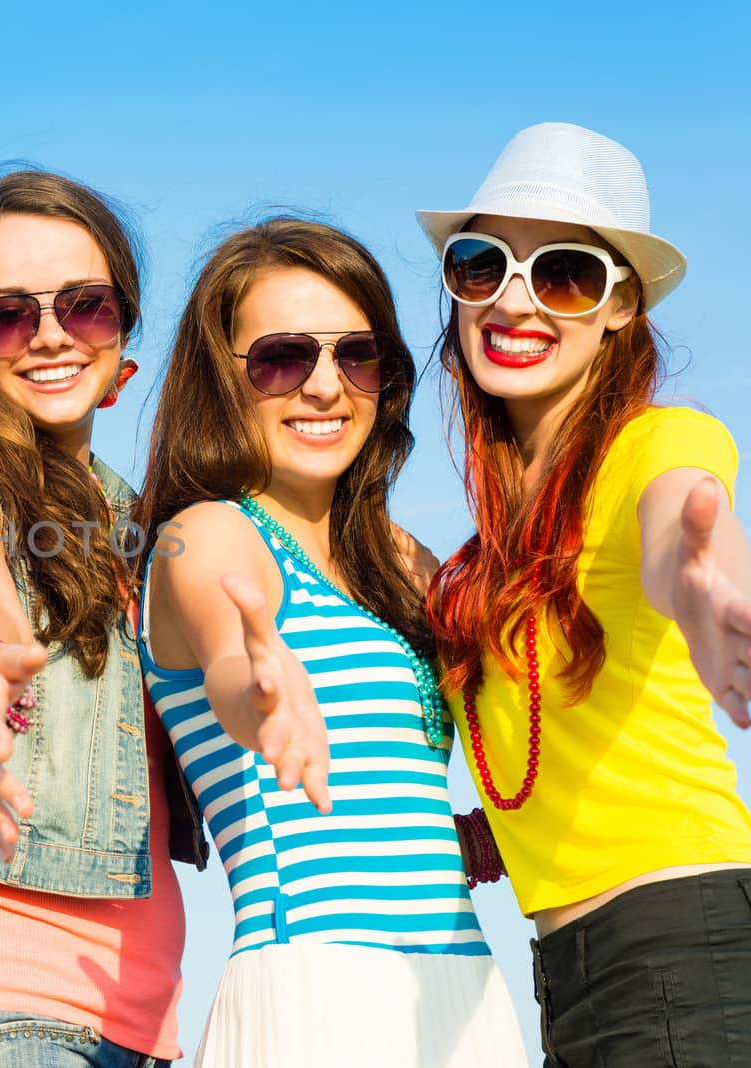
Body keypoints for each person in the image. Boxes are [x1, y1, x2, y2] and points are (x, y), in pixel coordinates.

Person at [133, 217, 525, 1066]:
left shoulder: (406, 560)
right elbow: (234, 652)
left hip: (462, 994)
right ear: (221, 379)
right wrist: (261, 697)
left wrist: (469, 832)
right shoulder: (208, 533)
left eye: (356, 355)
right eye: (281, 357)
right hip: (321, 991)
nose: (323, 386)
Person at [419, 121, 751, 1066]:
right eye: (484, 265)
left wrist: (706, 582)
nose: (514, 299)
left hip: (681, 943)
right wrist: (489, 828)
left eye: (563, 273)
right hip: (572, 969)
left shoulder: (648, 446)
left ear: (621, 309)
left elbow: (683, 521)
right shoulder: (491, 556)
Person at [0, 169, 207, 1068]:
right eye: (7, 314)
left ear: (124, 323)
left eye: (85, 305)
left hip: (132, 1029)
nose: (52, 334)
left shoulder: (134, 524)